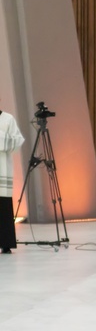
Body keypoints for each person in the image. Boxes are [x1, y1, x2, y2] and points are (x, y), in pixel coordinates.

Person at [0, 104, 24, 254]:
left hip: (2, 169)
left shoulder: (8, 119)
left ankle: (5, 243)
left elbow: (17, 141)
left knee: (2, 206)